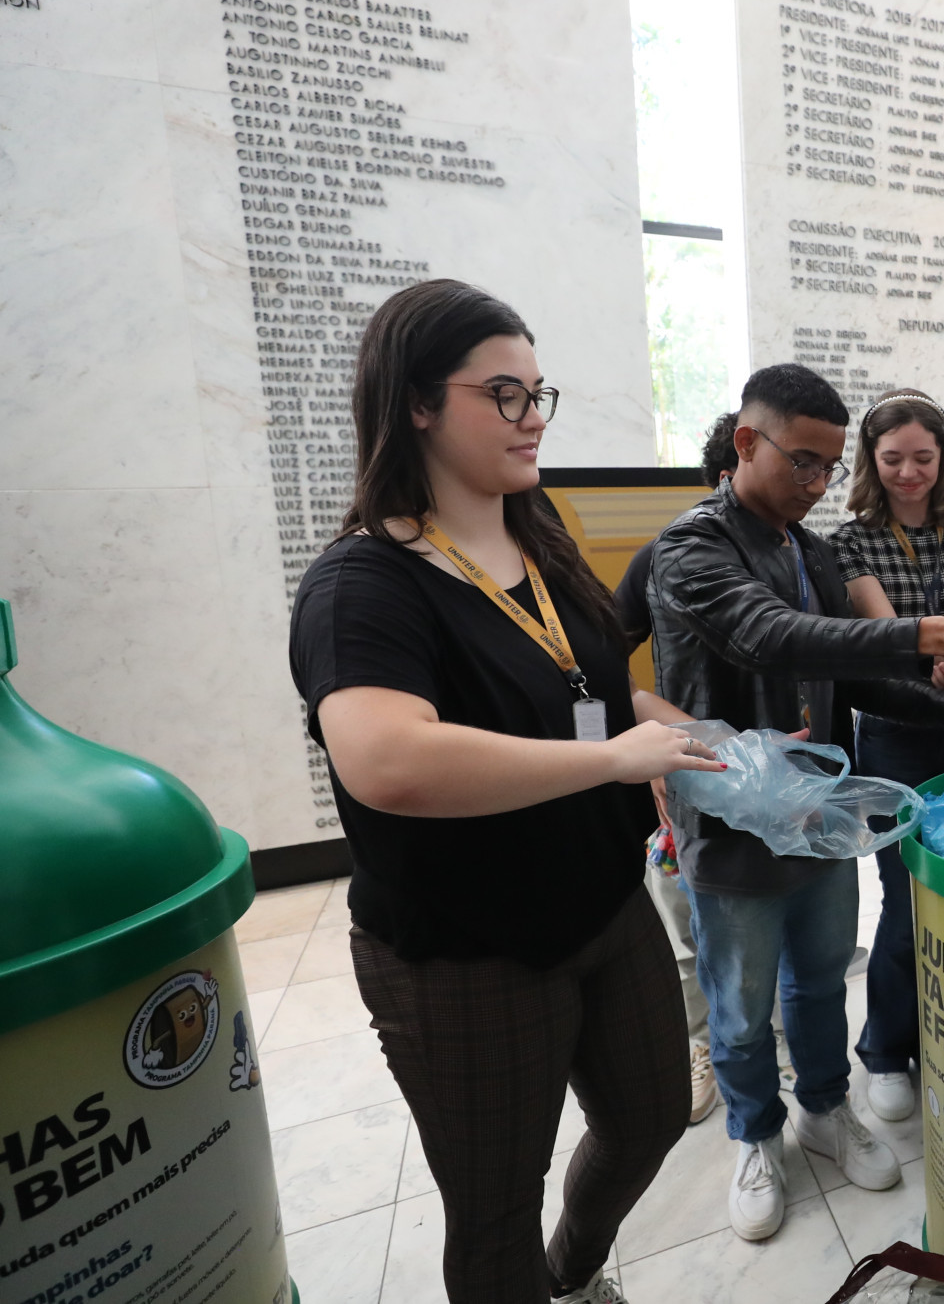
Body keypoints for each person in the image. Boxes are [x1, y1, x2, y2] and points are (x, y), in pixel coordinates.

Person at [289, 279, 729, 1304]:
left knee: (653, 1116)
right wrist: (614, 764)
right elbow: (389, 760)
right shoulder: (363, 585)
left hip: (601, 905)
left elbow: (596, 691)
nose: (533, 420)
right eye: (504, 395)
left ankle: (572, 1275)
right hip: (463, 948)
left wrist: (706, 739)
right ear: (416, 404)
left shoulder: (542, 537)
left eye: (541, 394)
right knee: (494, 1208)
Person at [646, 364, 944, 1243]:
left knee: (817, 979)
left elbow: (849, 672)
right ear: (747, 442)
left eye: (825, 467)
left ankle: (823, 1107)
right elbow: (769, 637)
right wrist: (927, 632)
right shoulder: (692, 547)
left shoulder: (806, 550)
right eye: (802, 462)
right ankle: (754, 1132)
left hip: (817, 810)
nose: (817, 484)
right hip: (733, 817)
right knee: (740, 1003)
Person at [830, 390, 944, 1122]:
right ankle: (885, 1050)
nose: (909, 472)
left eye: (923, 458)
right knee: (904, 902)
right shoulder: (851, 540)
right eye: (893, 458)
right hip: (896, 730)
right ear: (872, 461)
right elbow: (889, 634)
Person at [614, 411, 743, 1131]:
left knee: (774, 933)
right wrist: (651, 737)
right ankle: (701, 1047)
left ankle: (762, 1039)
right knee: (693, 933)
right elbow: (597, 661)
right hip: (690, 785)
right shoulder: (665, 554)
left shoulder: (799, 556)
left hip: (773, 785)